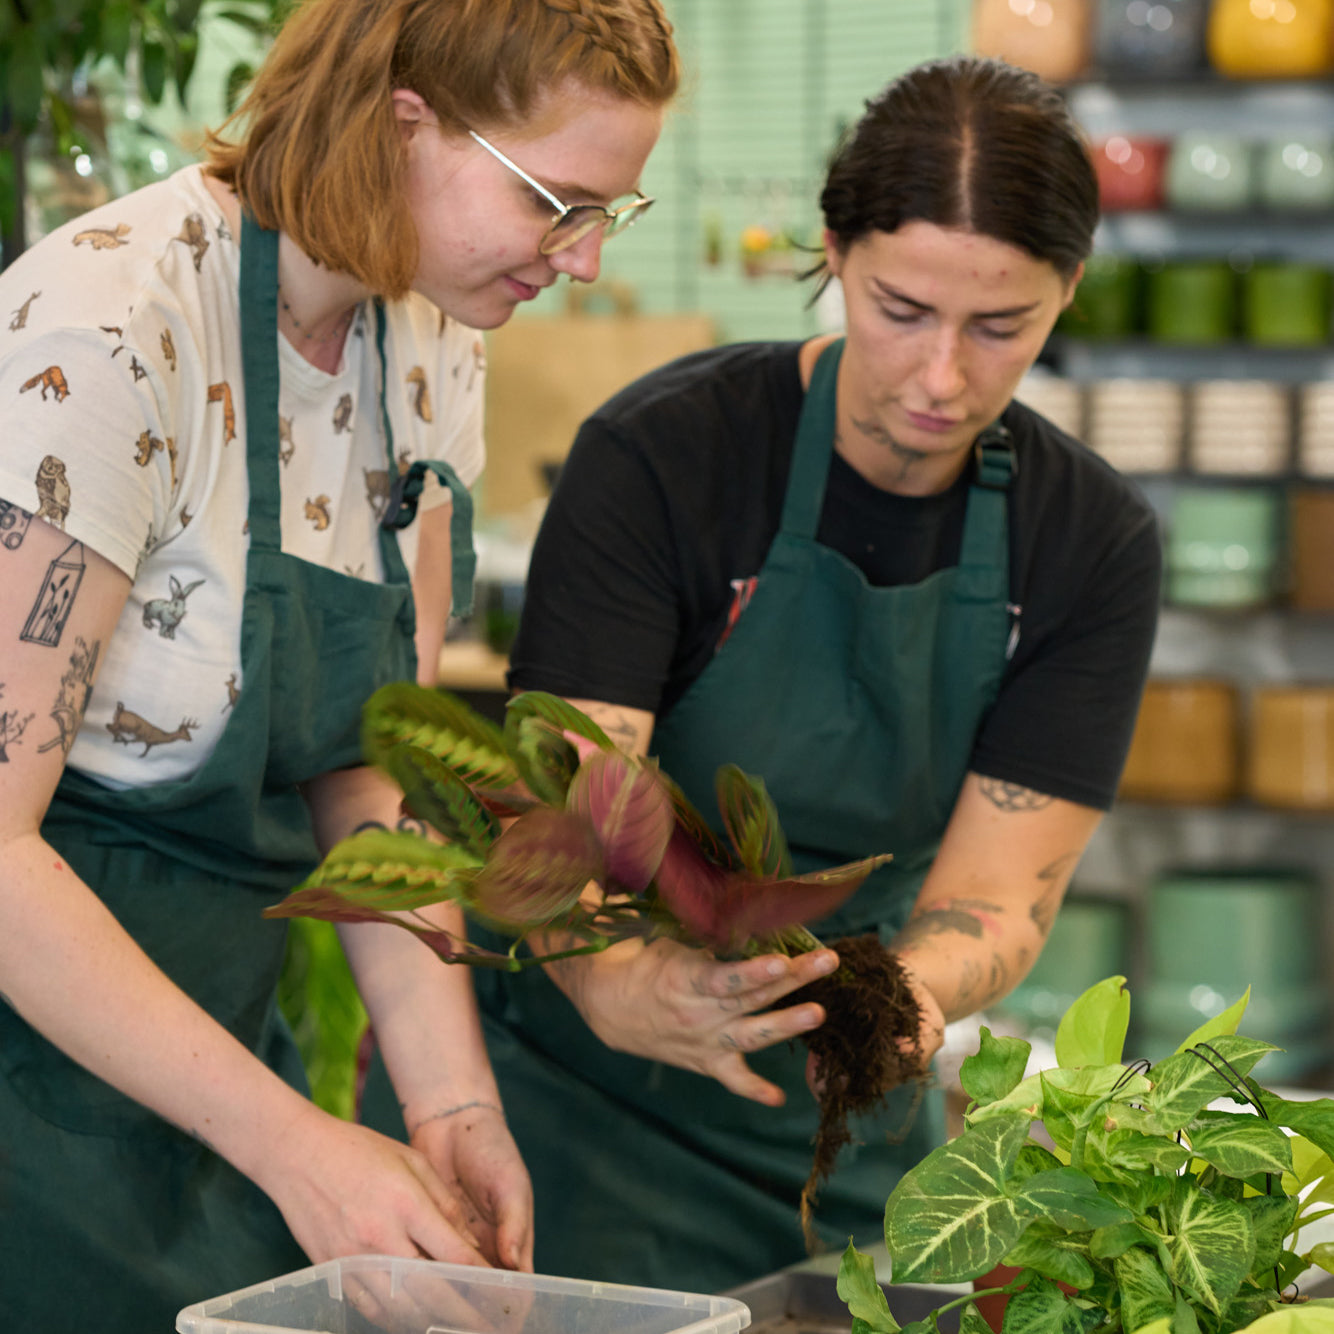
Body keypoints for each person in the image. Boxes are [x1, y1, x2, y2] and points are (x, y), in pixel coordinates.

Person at [0, 0, 677, 1327]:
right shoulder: (107, 331)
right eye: (558, 202)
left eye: (612, 212)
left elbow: (371, 771)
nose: (582, 259)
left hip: (205, 1077)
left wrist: (448, 1100)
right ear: (401, 123)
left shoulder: (422, 339)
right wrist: (297, 1142)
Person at [498, 54, 1163, 1292]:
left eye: (999, 325)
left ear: (1066, 292)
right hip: (571, 1124)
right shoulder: (667, 458)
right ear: (834, 255)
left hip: (844, 1133)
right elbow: (571, 811)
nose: (941, 377)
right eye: (901, 309)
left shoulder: (1089, 540)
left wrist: (892, 1003)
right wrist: (620, 978)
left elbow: (997, 895)